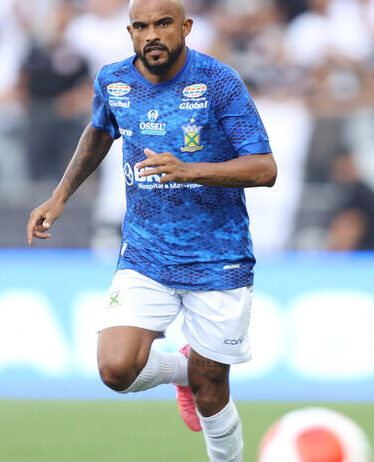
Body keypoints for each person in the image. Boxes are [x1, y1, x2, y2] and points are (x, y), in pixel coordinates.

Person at [26, 1, 277, 461]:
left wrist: (190, 170)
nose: (151, 35)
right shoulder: (114, 81)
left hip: (218, 257)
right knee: (116, 369)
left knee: (210, 390)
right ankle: (180, 369)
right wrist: (61, 195)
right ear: (130, 31)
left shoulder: (219, 83)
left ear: (185, 26)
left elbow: (265, 168)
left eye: (163, 24)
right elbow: (100, 131)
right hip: (145, 252)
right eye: (141, 27)